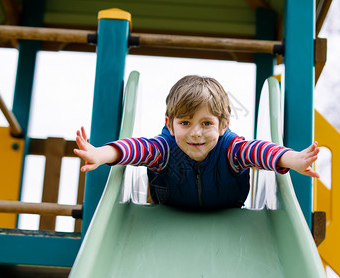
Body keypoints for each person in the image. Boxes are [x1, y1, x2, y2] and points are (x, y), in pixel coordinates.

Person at [74, 75, 320, 210]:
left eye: (206, 123)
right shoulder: (163, 150)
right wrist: (101, 154)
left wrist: (292, 160)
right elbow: (134, 148)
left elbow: (260, 151)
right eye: (185, 123)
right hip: (170, 212)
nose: (195, 133)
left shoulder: (232, 151)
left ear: (223, 125)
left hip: (227, 212)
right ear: (170, 124)